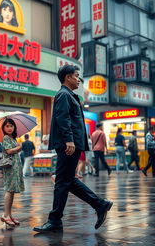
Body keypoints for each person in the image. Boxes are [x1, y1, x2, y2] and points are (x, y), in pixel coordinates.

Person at [33, 64, 113, 233]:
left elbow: (67, 119)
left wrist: (70, 141)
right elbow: (63, 119)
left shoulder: (69, 95)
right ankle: (99, 204)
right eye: (76, 76)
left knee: (63, 181)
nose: (79, 79)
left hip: (71, 144)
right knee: (66, 181)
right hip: (69, 144)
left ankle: (56, 220)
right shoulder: (64, 95)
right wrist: (69, 140)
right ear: (67, 77)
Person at [1, 118, 24, 227]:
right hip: (10, 166)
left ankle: (9, 215)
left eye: (11, 126)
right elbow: (9, 151)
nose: (9, 128)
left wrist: (18, 146)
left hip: (15, 166)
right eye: (7, 126)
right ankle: (5, 215)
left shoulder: (12, 138)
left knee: (12, 190)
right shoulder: (6, 138)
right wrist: (19, 147)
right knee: (9, 190)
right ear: (3, 128)